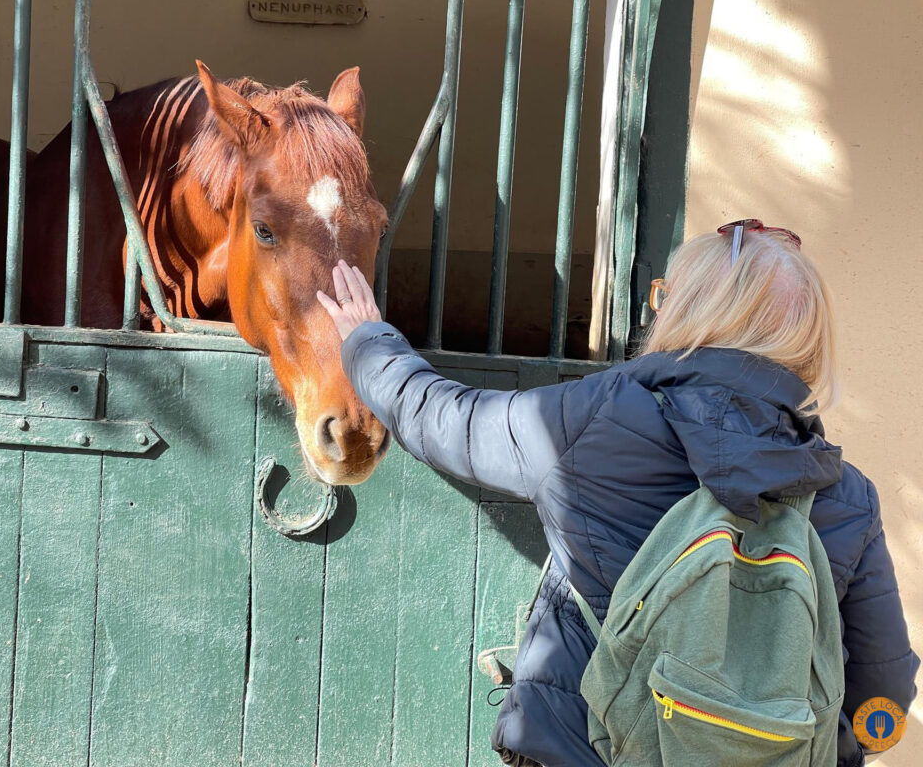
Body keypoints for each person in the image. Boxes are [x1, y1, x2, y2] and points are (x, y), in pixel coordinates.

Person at [316, 221, 919, 767]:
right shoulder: (847, 496)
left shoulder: (591, 421)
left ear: (687, 310)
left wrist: (368, 342)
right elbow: (883, 697)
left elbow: (449, 421)